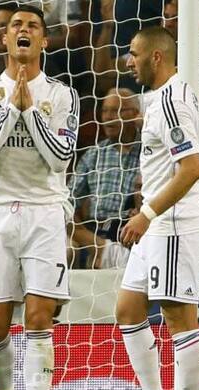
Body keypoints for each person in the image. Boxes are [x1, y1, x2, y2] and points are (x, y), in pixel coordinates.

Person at [0, 5, 79, 390]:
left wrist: (29, 111)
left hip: (45, 210)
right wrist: (13, 109)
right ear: (5, 38)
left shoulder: (62, 94)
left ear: (43, 40)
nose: (23, 30)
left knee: (39, 318)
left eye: (32, 26)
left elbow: (60, 158)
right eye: (16, 25)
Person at [116, 26, 199, 390]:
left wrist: (147, 214)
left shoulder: (171, 101)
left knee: (178, 318)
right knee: (128, 310)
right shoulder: (163, 98)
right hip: (156, 223)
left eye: (134, 54)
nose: (129, 61)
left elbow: (191, 169)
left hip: (173, 222)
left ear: (156, 57)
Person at [71, 88, 142, 269]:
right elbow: (69, 201)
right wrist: (90, 239)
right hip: (95, 233)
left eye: (116, 110)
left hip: (133, 230)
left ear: (135, 114)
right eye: (104, 111)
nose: (108, 117)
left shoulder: (149, 151)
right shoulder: (94, 154)